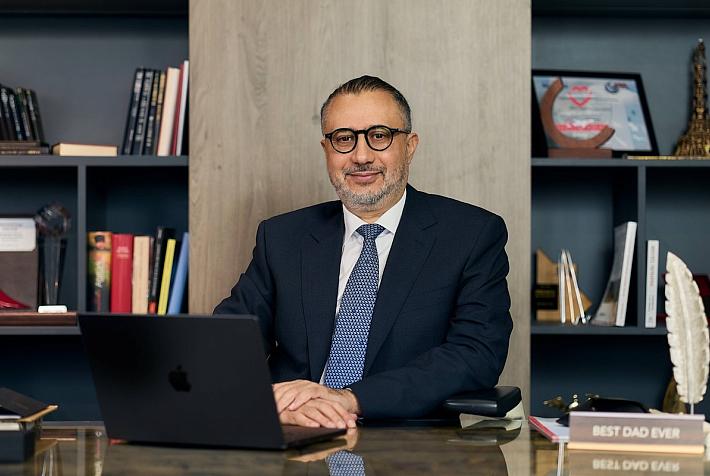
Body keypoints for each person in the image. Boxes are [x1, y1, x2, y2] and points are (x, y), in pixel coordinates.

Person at [214, 75, 512, 429]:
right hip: (294, 430)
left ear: (410, 145)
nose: (361, 156)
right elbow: (226, 344)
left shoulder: (470, 235)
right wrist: (273, 404)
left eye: (379, 135)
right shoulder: (282, 237)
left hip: (407, 441)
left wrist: (349, 399)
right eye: (344, 139)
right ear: (326, 149)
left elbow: (476, 355)